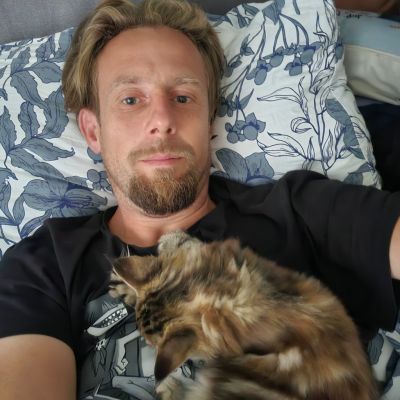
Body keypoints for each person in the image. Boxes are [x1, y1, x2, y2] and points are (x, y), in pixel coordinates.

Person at [0, 0, 400, 399]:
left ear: (209, 121)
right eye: (131, 99)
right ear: (93, 131)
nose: (162, 120)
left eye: (183, 97)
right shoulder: (43, 266)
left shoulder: (300, 210)